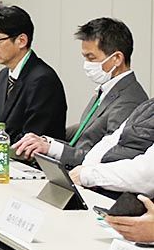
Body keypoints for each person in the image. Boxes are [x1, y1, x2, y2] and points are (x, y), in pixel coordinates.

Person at [14, 18, 146, 166]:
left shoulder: (129, 101)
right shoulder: (105, 91)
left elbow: (107, 159)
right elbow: (82, 142)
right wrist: (46, 143)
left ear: (117, 58)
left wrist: (51, 148)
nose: (87, 64)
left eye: (91, 58)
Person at [0, 5, 66, 145]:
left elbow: (32, 137)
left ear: (21, 41)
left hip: (29, 156)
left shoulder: (42, 80)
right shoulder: (4, 75)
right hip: (5, 152)